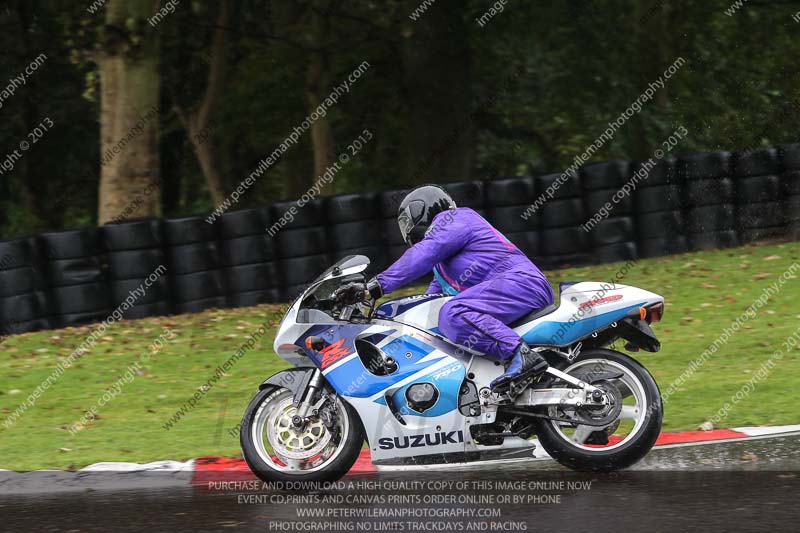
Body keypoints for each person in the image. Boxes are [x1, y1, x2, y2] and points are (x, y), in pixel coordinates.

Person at [334, 185, 554, 391]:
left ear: (420, 211)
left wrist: (373, 288)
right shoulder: (443, 267)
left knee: (453, 313)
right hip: (513, 290)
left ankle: (521, 355)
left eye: (405, 221)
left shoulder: (455, 219)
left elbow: (423, 254)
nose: (405, 229)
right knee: (439, 320)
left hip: (522, 283)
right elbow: (429, 303)